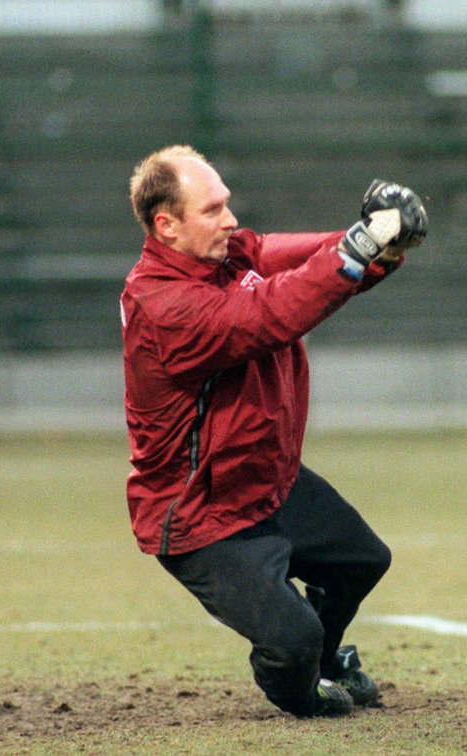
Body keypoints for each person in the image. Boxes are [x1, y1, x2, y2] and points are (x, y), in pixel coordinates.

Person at [120, 145, 427, 715]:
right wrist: (356, 249)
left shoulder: (229, 254)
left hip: (264, 477)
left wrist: (377, 242)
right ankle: (302, 689)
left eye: (226, 205)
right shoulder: (160, 305)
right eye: (211, 210)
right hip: (200, 514)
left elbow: (299, 259)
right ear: (166, 225)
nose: (230, 220)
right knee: (293, 641)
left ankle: (326, 657)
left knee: (361, 561)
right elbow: (270, 315)